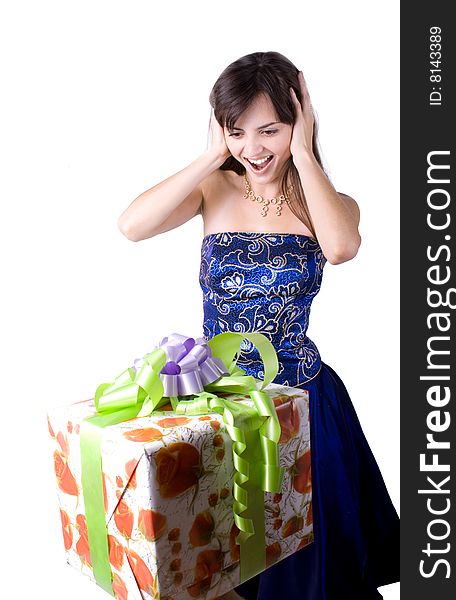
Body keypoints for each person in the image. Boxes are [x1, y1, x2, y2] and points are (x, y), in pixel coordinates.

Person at [118, 51, 400, 600]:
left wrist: (303, 153)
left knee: (307, 562)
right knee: (220, 560)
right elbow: (131, 226)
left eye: (269, 130)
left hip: (302, 400)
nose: (253, 149)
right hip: (218, 402)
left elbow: (341, 248)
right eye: (237, 132)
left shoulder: (332, 204)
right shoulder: (214, 190)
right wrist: (209, 157)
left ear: (298, 122)